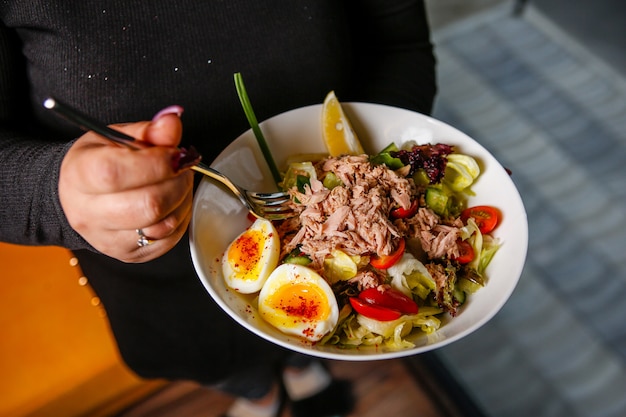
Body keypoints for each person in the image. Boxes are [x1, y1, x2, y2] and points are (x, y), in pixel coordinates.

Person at [0, 1, 436, 416]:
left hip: (343, 239)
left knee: (306, 337)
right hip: (153, 271)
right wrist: (55, 192)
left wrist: (369, 176)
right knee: (215, 363)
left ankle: (300, 368)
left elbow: (399, 48)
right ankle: (260, 394)